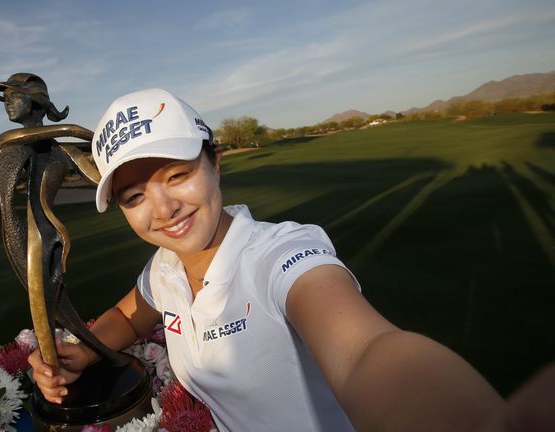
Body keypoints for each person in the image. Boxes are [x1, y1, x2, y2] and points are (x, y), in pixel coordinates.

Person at [27, 88, 511, 431]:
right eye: (134, 196)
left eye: (177, 175)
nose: (164, 209)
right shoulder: (165, 268)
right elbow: (126, 316)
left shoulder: (280, 255)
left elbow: (367, 351)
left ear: (214, 163)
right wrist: (84, 351)